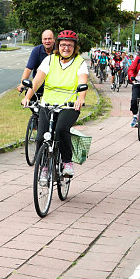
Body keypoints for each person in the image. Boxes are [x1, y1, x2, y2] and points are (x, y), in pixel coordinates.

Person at [21, 30, 88, 177]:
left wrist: (80, 98)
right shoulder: (50, 60)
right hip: (47, 104)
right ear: (58, 45)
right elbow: (37, 81)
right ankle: (44, 168)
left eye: (69, 45)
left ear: (74, 47)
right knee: (40, 138)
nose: (66, 48)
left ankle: (67, 163)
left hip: (69, 105)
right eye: (63, 44)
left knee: (61, 129)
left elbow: (83, 82)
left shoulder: (80, 63)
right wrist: (27, 97)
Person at [17, 30, 55, 94]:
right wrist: (22, 84)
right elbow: (28, 69)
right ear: (42, 40)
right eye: (45, 39)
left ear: (54, 39)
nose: (47, 41)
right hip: (38, 85)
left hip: (54, 86)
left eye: (49, 39)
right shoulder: (36, 50)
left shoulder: (59, 51)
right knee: (28, 98)